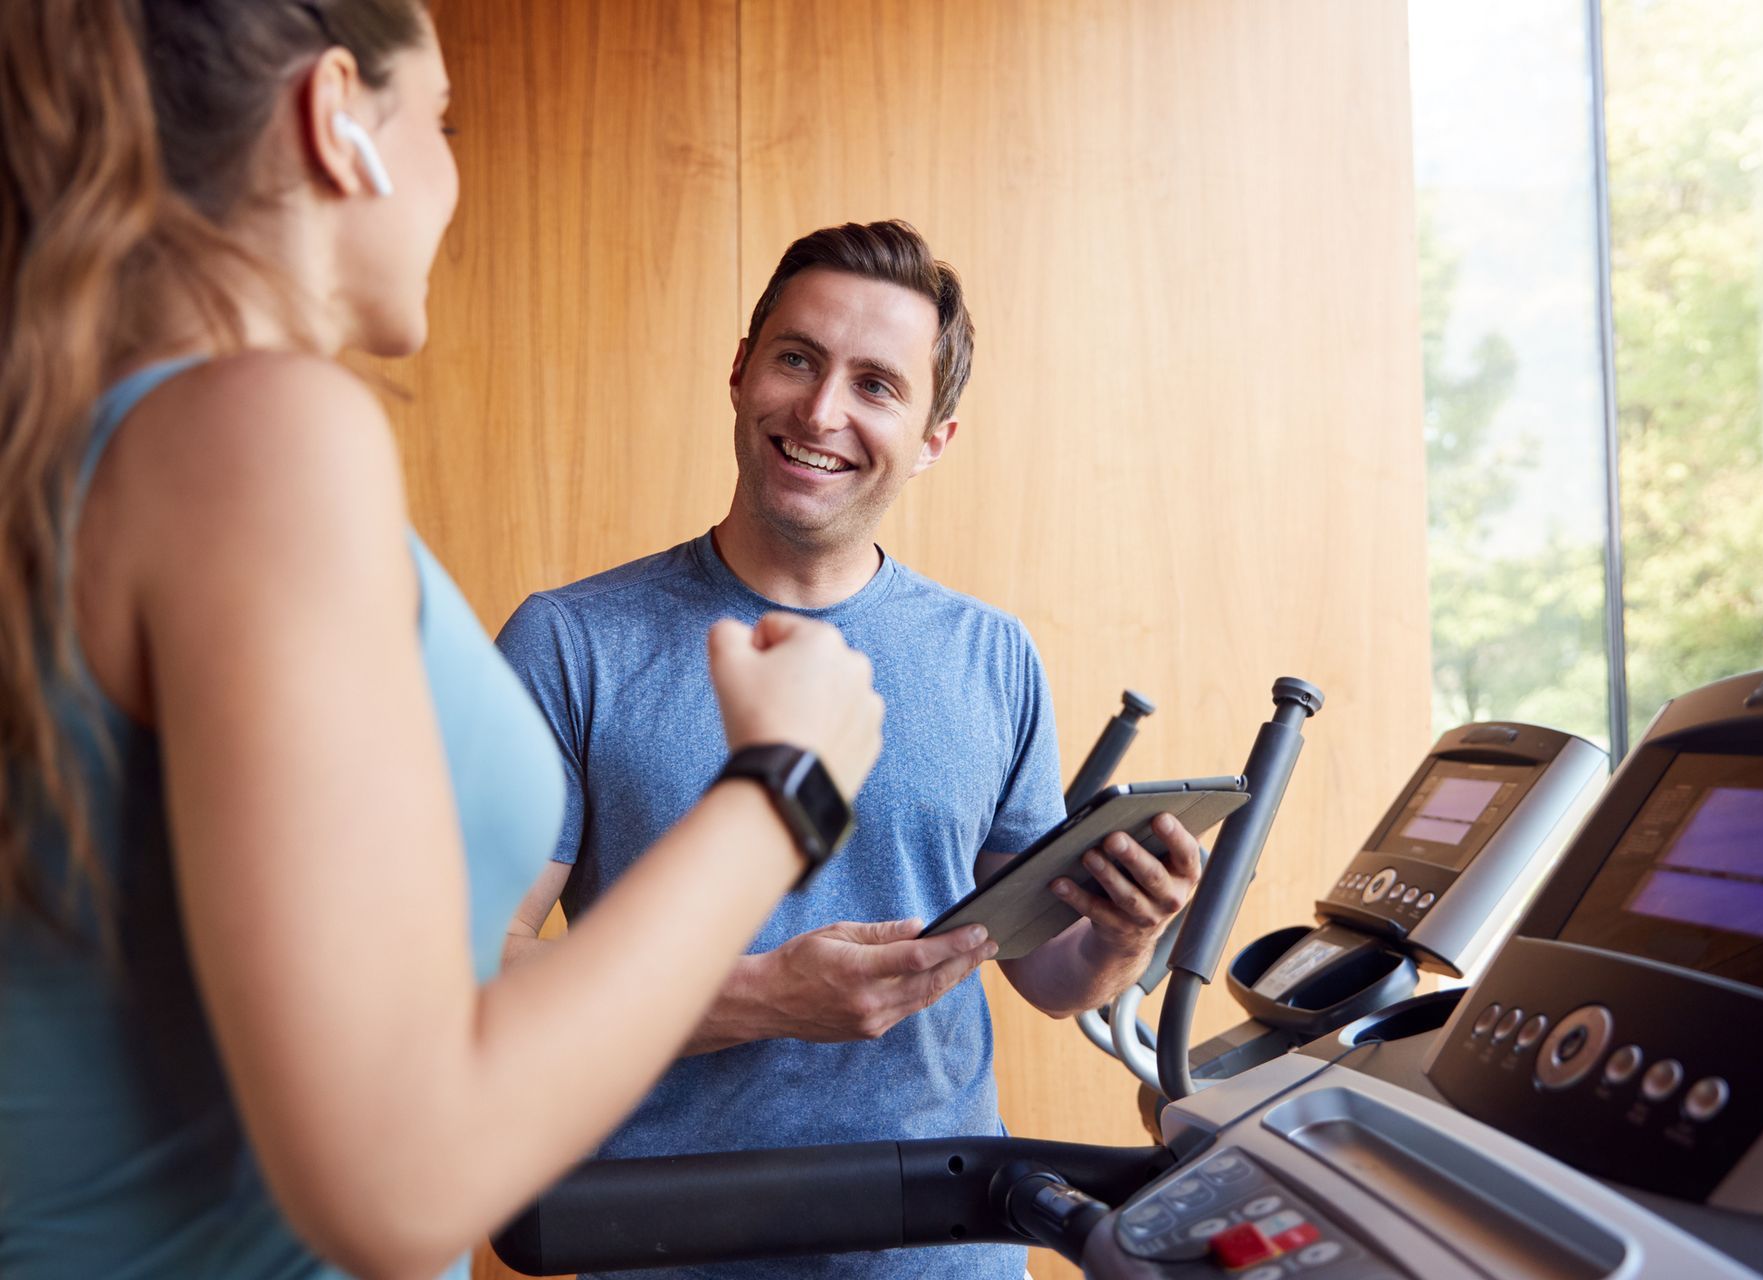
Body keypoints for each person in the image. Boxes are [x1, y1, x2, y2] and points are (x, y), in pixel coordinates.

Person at [0, 4, 885, 1278]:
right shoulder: (256, 436)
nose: (452, 171)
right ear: (337, 115)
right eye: (444, 120)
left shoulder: (107, 450)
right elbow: (400, 1175)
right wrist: (784, 788)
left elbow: (418, 1034)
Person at [496, 220, 1204, 1280]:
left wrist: (1120, 935)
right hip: (652, 1247)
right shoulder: (570, 641)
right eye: (796, 358)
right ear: (740, 372)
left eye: (877, 384)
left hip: (941, 1258)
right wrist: (764, 996)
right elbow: (479, 978)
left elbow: (1046, 973)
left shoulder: (992, 654)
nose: (821, 411)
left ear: (933, 437)